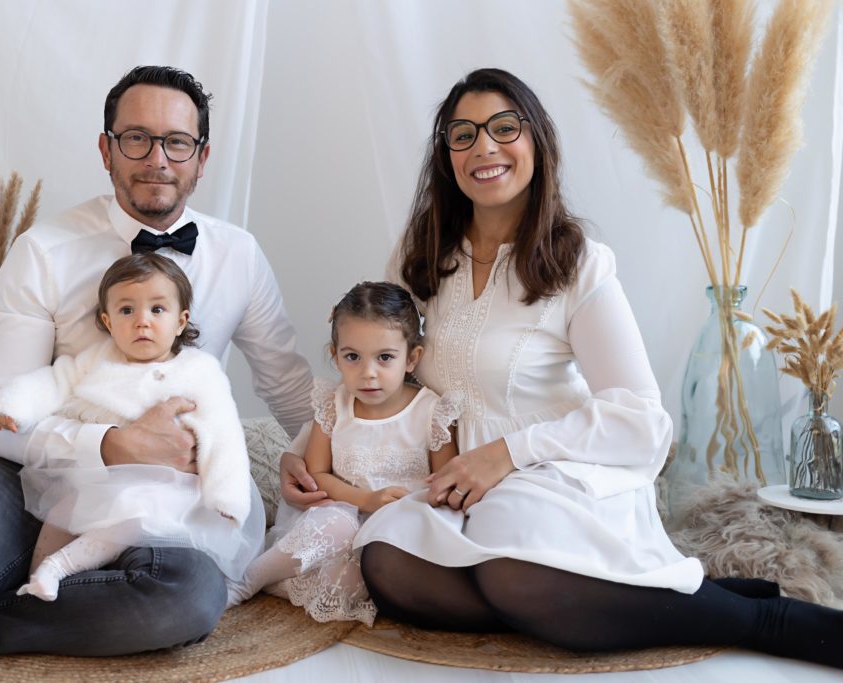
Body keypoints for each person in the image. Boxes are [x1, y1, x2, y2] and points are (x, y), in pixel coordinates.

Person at [285, 68, 843, 670]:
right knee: (388, 564)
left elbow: (640, 417)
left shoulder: (576, 262)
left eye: (504, 128)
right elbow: (374, 367)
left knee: (516, 575)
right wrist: (303, 451)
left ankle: (759, 617)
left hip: (552, 478)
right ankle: (618, 595)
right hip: (451, 488)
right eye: (463, 134)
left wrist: (507, 454)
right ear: (446, 155)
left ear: (537, 141)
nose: (484, 148)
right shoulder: (420, 256)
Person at [0, 65, 312, 659]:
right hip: (24, 472)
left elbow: (287, 382)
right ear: (107, 150)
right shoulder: (45, 250)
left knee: (186, 597)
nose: (158, 157)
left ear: (201, 158)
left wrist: (332, 465)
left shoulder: (238, 253)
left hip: (163, 496)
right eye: (137, 138)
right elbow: (2, 421)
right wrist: (111, 444)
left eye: (177, 142)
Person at [0, 252, 261, 602]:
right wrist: (15, 407)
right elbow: (55, 381)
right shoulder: (96, 359)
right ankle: (33, 587)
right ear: (108, 321)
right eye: (127, 311)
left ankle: (60, 568)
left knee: (131, 511)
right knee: (60, 513)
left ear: (181, 320)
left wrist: (226, 495)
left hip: (171, 489)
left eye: (157, 310)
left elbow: (223, 433)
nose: (142, 322)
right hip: (100, 476)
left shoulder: (199, 371)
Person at [226, 282, 461, 625]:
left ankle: (288, 579)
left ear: (412, 358)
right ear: (335, 356)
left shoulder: (432, 412)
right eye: (353, 357)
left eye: (385, 358)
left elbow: (444, 484)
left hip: (396, 523)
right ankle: (250, 578)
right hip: (343, 511)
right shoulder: (334, 404)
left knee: (354, 579)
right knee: (335, 527)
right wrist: (365, 499)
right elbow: (318, 474)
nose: (368, 372)